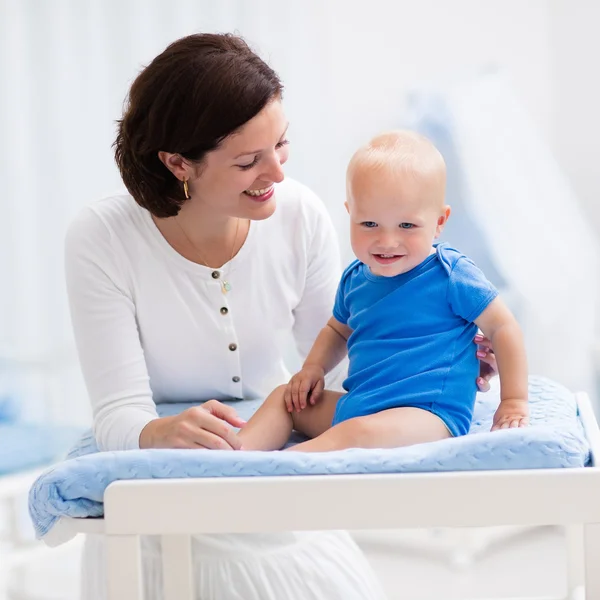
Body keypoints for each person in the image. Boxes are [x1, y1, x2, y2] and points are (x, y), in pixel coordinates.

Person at [65, 33, 496, 599]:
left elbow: (347, 364)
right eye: (249, 161)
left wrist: (433, 356)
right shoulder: (103, 239)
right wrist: (159, 432)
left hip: (275, 501)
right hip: (163, 514)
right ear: (177, 163)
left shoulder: (298, 215)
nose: (276, 172)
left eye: (281, 147)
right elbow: (117, 415)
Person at [238, 131, 527, 453]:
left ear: (439, 221)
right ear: (350, 214)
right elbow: (337, 330)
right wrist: (313, 369)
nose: (387, 241)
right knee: (284, 398)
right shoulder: (355, 277)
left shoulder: (452, 274)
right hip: (361, 405)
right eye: (369, 224)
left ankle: (276, 471)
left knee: (356, 434)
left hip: (427, 414)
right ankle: (234, 458)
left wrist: (513, 400)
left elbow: (503, 327)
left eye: (406, 226)